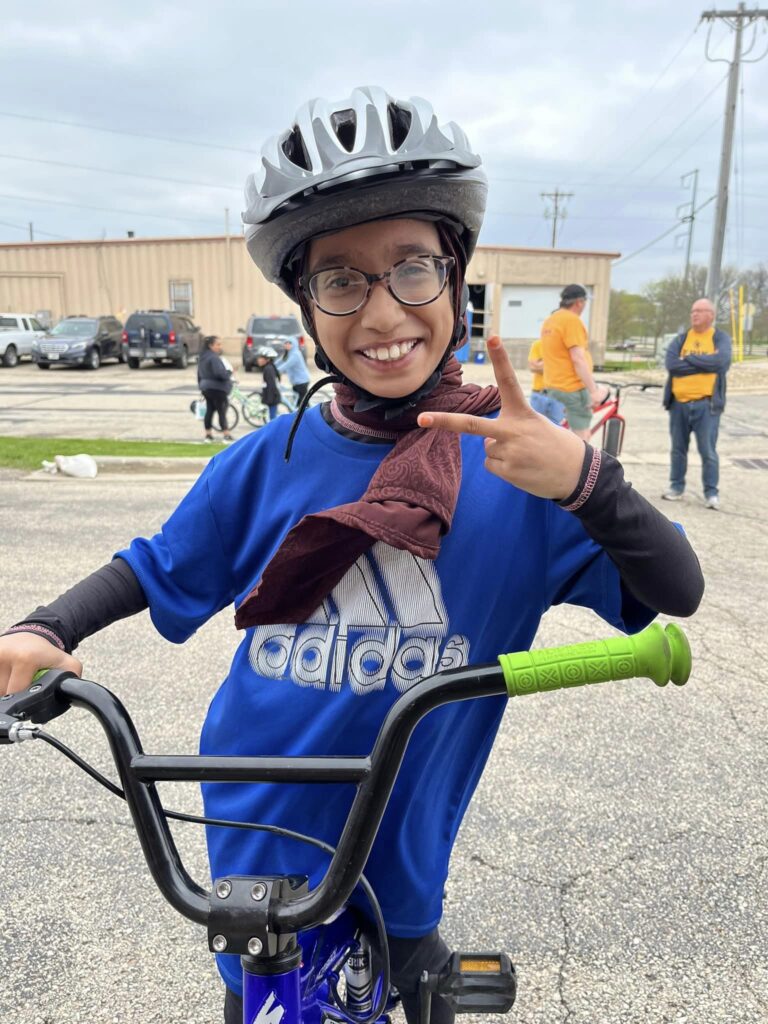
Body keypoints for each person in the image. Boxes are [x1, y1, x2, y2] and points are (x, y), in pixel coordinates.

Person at [0, 87, 704, 1024]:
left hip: (398, 844)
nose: (381, 313)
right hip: (252, 820)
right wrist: (46, 626)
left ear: (456, 277)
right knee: (259, 1001)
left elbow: (678, 591)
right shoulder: (267, 459)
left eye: (412, 268)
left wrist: (585, 478)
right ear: (305, 304)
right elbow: (155, 565)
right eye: (340, 279)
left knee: (407, 985)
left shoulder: (520, 461)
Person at [662, 298, 732, 510]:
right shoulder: (681, 339)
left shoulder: (720, 338)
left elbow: (721, 363)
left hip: (706, 405)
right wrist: (703, 363)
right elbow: (672, 365)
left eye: (700, 311)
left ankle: (711, 493)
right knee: (677, 449)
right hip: (679, 404)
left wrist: (690, 359)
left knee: (708, 450)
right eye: (693, 311)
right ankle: (676, 487)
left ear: (711, 315)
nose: (695, 315)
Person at [540, 284, 609, 440]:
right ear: (579, 302)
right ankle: (580, 464)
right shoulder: (572, 321)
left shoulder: (550, 321)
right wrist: (593, 391)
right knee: (582, 437)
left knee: (561, 434)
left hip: (554, 385)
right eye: (585, 302)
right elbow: (578, 358)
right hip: (572, 388)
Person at [198, 335, 235, 443]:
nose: (220, 346)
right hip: (218, 388)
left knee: (209, 410)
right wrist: (229, 373)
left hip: (205, 387)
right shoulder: (214, 358)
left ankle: (208, 434)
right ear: (211, 345)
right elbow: (220, 373)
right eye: (218, 344)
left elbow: (199, 374)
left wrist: (201, 386)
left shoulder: (202, 357)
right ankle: (226, 434)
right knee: (221, 411)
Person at [527, 338, 565, 423]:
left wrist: (541, 362)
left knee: (556, 430)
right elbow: (532, 367)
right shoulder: (538, 344)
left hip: (558, 397)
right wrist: (556, 362)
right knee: (534, 428)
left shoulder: (565, 347)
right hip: (539, 395)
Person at [277, 337, 311, 403]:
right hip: (296, 382)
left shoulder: (295, 355)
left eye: (290, 343)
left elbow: (286, 365)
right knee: (297, 403)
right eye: (286, 343)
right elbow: (280, 361)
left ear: (294, 344)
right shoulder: (289, 354)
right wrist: (271, 365)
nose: (287, 345)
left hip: (302, 381)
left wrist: (275, 371)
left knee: (302, 405)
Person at [254, 344, 281, 420]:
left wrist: (268, 401)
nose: (258, 360)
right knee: (272, 418)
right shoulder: (269, 367)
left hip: (272, 398)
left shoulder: (268, 369)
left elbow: (271, 386)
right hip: (272, 398)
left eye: (261, 358)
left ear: (268, 359)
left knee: (273, 420)